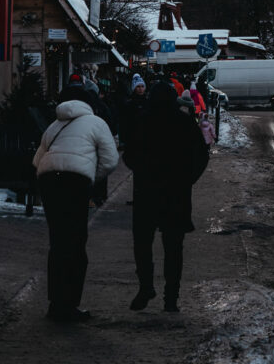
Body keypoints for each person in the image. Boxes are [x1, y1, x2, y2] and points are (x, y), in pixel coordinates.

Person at [123, 81, 209, 313]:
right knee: (173, 247)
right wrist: (188, 179)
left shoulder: (142, 120)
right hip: (176, 194)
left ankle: (145, 286)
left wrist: (142, 170)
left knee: (142, 242)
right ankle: (171, 297)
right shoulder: (183, 122)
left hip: (146, 192)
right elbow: (201, 155)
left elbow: (128, 153)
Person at [33, 98, 119, 323]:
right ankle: (70, 304)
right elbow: (110, 160)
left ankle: (55, 303)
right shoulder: (97, 122)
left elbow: (37, 160)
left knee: (58, 242)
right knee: (76, 243)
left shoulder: (54, 126)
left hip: (49, 181)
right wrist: (91, 177)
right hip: (75, 183)